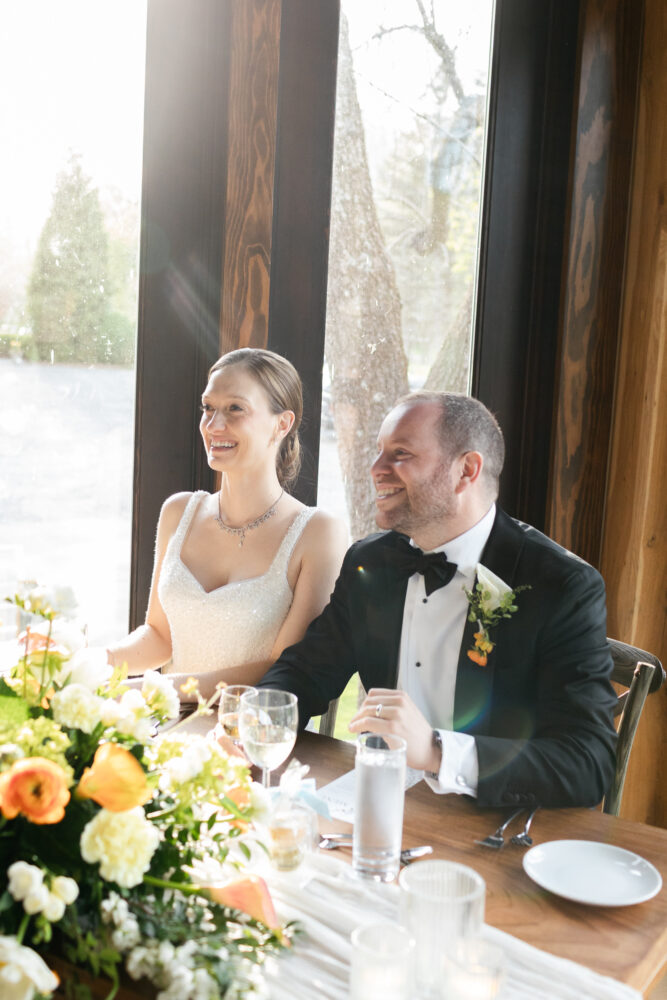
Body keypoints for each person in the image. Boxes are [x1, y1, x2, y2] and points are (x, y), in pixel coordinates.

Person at [259, 391, 617, 808]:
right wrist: (257, 719)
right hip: (373, 803)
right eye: (379, 453)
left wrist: (435, 752)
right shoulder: (370, 562)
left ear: (466, 470)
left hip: (489, 824)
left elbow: (588, 762)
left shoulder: (561, 586)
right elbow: (307, 670)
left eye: (401, 454)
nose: (376, 469)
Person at [107, 348, 348, 698]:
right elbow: (160, 635)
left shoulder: (318, 533)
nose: (213, 425)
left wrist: (154, 690)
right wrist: (96, 662)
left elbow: (284, 667)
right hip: (172, 730)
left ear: (282, 424)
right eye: (208, 408)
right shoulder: (178, 512)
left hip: (257, 740)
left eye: (235, 408)